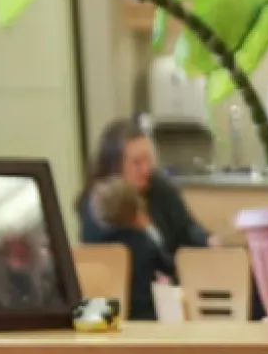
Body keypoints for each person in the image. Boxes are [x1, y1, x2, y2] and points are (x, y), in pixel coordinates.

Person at [83, 120, 211, 258]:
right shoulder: (102, 204)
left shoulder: (158, 185)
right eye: (137, 162)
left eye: (148, 160)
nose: (146, 169)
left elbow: (187, 228)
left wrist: (208, 240)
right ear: (115, 167)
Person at [86, 175, 170, 321]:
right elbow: (169, 267)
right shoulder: (144, 243)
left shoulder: (94, 248)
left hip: (103, 320)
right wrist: (149, 230)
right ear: (137, 209)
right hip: (143, 320)